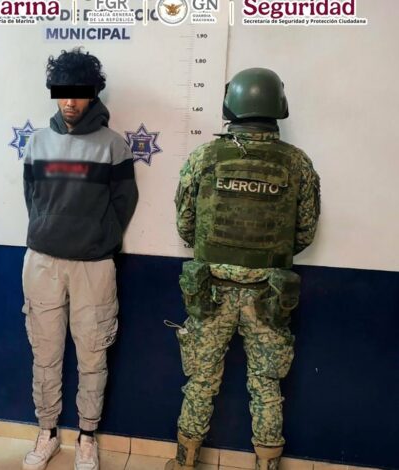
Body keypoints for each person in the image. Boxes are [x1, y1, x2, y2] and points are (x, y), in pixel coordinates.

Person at [167, 68, 321, 470]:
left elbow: (185, 225)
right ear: (279, 106)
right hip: (268, 295)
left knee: (200, 383)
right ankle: (267, 465)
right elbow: (304, 232)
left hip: (210, 293)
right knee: (267, 388)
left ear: (229, 104)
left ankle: (184, 462)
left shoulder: (204, 157)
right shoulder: (297, 163)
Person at [20, 48, 139, 470]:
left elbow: (124, 203)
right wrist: (49, 229)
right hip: (42, 263)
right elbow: (33, 197)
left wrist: (97, 238)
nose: (69, 101)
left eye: (79, 93)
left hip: (94, 266)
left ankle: (87, 436)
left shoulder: (114, 146)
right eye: (62, 92)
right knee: (45, 353)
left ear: (93, 94)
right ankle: (47, 432)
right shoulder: (37, 142)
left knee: (93, 353)